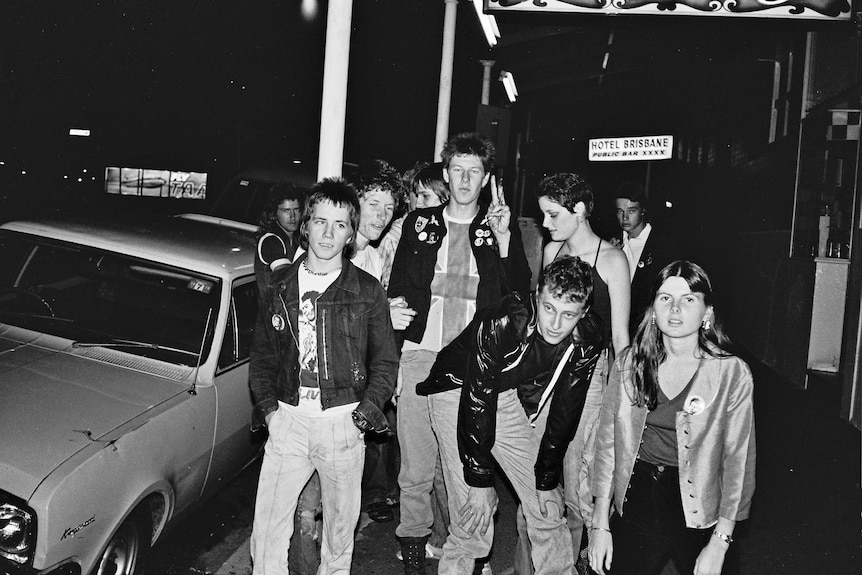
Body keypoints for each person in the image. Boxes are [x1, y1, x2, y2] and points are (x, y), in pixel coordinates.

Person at [388, 132, 531, 575]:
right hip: (419, 354)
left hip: (469, 364)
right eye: (458, 170)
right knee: (415, 463)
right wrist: (391, 356)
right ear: (446, 174)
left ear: (486, 178)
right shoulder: (419, 223)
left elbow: (518, 296)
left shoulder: (496, 230)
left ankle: (466, 548)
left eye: (475, 171)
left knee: (463, 463)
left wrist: (506, 243)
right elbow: (397, 292)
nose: (465, 179)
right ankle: (413, 543)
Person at [248, 178, 399, 575]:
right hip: (289, 421)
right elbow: (262, 356)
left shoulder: (366, 291)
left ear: (351, 233)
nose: (328, 233)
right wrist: (270, 413)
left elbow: (386, 362)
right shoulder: (279, 285)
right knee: (266, 535)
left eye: (340, 224)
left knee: (338, 536)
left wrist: (362, 417)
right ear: (306, 225)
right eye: (320, 222)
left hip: (342, 424)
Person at [418, 255, 605, 575]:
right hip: (456, 389)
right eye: (549, 308)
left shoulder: (587, 340)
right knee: (471, 517)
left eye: (568, 315)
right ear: (537, 298)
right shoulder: (505, 320)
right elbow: (477, 398)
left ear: (584, 313)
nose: (556, 325)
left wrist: (546, 479)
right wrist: (479, 480)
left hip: (504, 395)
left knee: (547, 507)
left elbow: (565, 412)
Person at [588, 260, 756, 575]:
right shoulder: (629, 365)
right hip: (639, 495)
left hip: (699, 503)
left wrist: (720, 542)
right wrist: (600, 524)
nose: (675, 308)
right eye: (665, 298)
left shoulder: (731, 372)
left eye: (688, 299)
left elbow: (738, 464)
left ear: (707, 312)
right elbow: (608, 443)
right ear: (653, 308)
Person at [525, 172, 630, 573]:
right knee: (536, 476)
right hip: (547, 370)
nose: (545, 224)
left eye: (552, 215)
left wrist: (624, 398)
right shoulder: (552, 252)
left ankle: (581, 562)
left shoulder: (612, 259)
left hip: (592, 376)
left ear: (580, 210)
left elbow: (620, 337)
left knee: (579, 480)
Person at [347, 159, 409, 524]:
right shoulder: (329, 250)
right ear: (355, 202)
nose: (383, 215)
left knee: (341, 509)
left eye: (389, 208)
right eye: (374, 204)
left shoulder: (371, 257)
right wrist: (384, 312)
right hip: (318, 402)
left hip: (355, 392)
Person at [612, 181, 681, 338]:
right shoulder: (612, 244)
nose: (625, 218)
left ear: (643, 211)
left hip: (650, 330)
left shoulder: (664, 246)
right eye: (619, 211)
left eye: (631, 211)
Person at [378, 160, 449, 291]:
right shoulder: (396, 236)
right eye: (416, 195)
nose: (418, 204)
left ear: (446, 197)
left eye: (425, 196)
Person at [255, 183, 305, 294]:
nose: (292, 216)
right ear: (274, 213)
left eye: (296, 209)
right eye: (286, 211)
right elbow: (286, 277)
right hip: (271, 309)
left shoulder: (296, 239)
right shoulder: (271, 240)